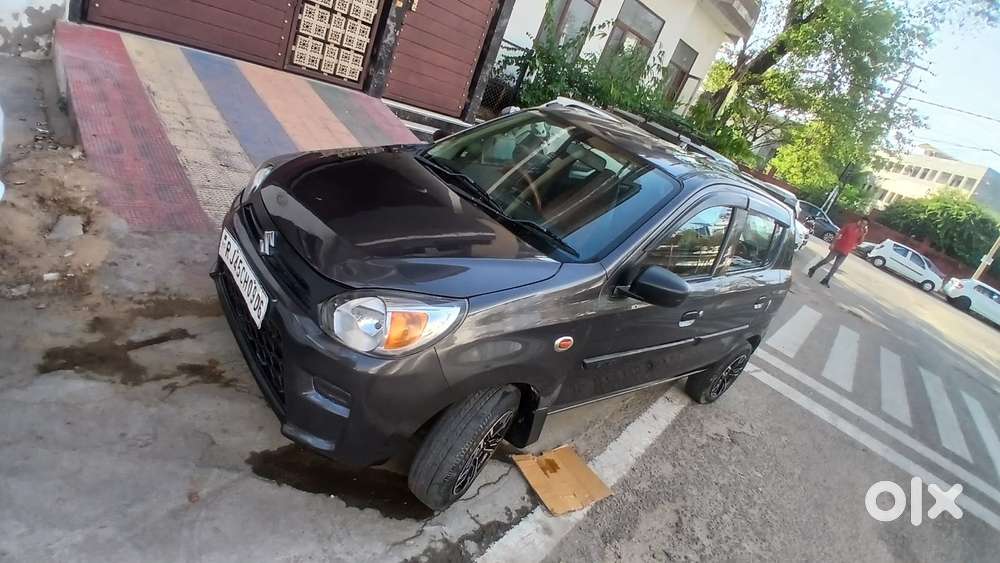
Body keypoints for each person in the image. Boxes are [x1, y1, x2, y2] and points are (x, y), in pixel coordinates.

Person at [808, 217, 870, 287]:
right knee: (827, 260)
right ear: (859, 221)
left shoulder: (862, 232)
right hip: (838, 247)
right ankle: (813, 268)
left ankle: (826, 279)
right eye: (862, 223)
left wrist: (864, 234)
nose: (863, 225)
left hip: (846, 251)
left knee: (836, 266)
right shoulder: (850, 226)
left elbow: (860, 242)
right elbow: (838, 234)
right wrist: (833, 243)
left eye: (865, 224)